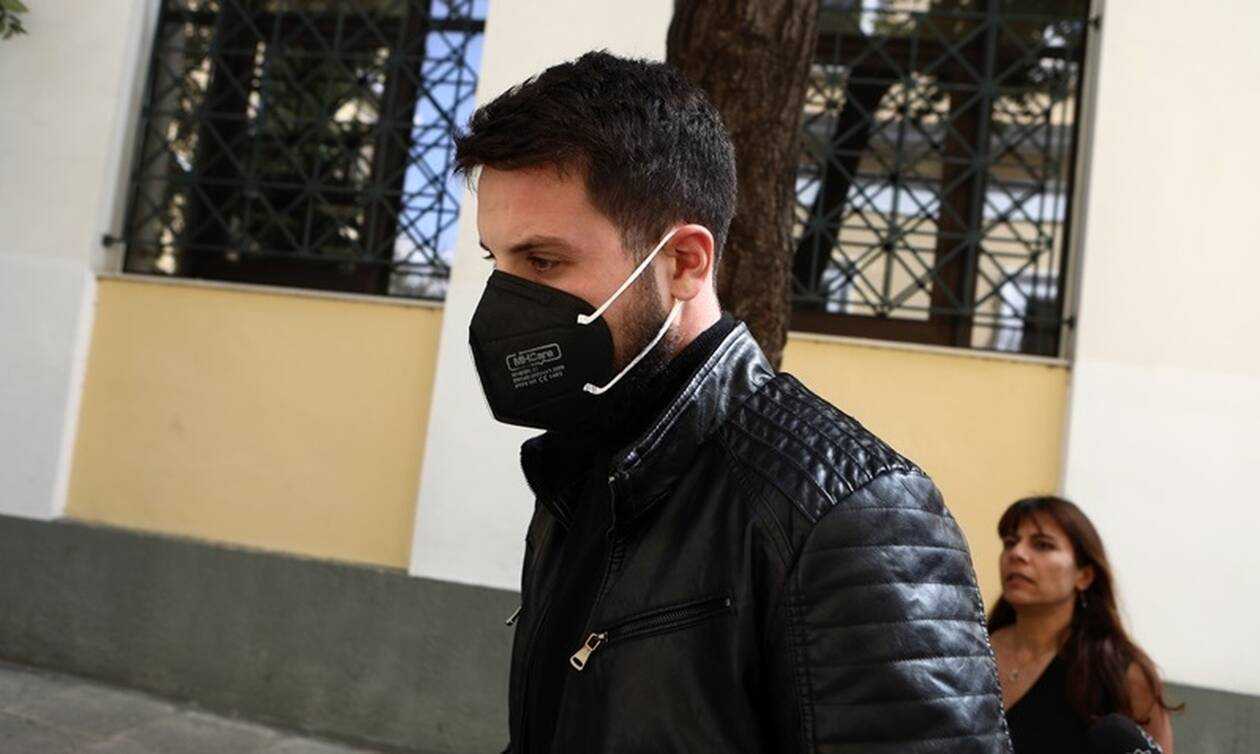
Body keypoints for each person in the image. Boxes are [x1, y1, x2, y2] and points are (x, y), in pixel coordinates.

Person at [457, 50, 1011, 753]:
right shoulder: (584, 468)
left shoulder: (848, 511)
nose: (506, 300)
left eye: (543, 261)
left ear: (685, 262)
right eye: (496, 261)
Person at [989, 496, 1180, 753]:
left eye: (1043, 545)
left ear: (1084, 575)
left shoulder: (1120, 672)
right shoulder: (970, 651)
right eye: (1010, 543)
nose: (1017, 554)